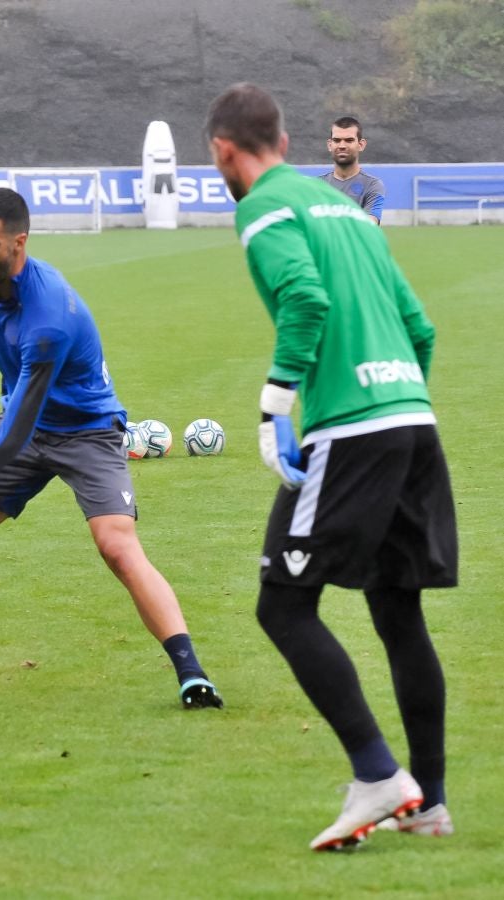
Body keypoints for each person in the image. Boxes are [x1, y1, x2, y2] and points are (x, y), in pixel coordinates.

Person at [207, 83, 455, 850]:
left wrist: (278, 405)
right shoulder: (348, 211)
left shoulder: (262, 209)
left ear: (223, 150)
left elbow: (304, 300)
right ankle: (431, 803)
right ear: (283, 141)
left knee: (281, 603)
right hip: (413, 421)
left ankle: (379, 778)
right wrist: (397, 396)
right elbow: (419, 326)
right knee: (395, 609)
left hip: (354, 432)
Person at [0, 188, 224, 713]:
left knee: (117, 546)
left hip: (87, 431)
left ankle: (191, 673)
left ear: (20, 242)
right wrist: (2, 408)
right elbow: (9, 377)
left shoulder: (49, 317)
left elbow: (13, 434)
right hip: (26, 425)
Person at [316, 115, 386, 223]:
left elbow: (369, 225)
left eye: (349, 140)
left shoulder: (372, 185)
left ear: (361, 145)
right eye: (337, 140)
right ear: (330, 145)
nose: (342, 145)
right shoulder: (316, 185)